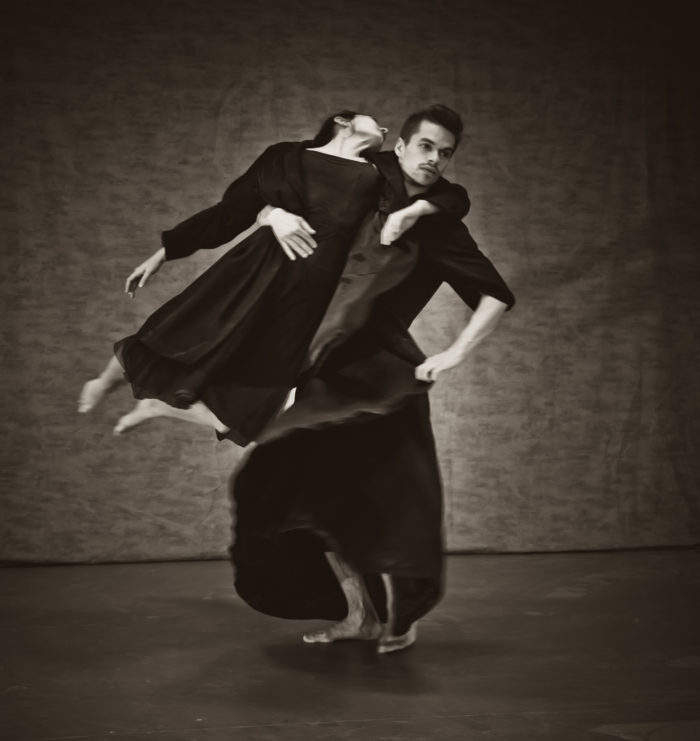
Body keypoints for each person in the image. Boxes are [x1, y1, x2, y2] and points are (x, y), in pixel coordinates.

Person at [230, 105, 516, 654]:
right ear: (400, 147)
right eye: (426, 146)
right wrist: (271, 214)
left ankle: (400, 615)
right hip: (323, 367)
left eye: (446, 153)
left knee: (385, 505)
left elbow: (495, 294)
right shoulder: (360, 180)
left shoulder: (440, 226)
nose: (434, 159)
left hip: (384, 377)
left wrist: (455, 353)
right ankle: (359, 615)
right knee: (300, 495)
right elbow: (277, 183)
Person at [77, 111, 469, 444]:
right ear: (343, 122)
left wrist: (418, 211)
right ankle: (104, 381)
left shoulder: (380, 173)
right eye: (375, 122)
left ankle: (157, 408)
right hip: (253, 271)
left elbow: (453, 197)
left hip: (307, 298)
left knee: (248, 410)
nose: (383, 129)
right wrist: (166, 252)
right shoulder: (284, 157)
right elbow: (230, 212)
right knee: (176, 335)